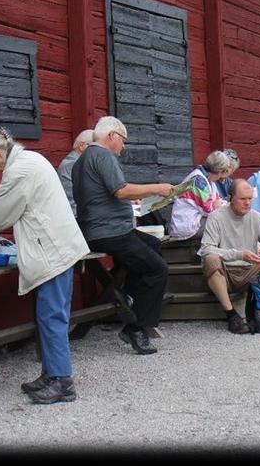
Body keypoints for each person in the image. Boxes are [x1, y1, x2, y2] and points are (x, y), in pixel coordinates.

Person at [0, 127, 90, 404]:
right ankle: (51, 374)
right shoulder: (30, 160)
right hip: (56, 247)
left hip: (52, 251)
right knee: (48, 315)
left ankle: (61, 382)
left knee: (52, 316)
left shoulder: (19, 170)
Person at [72, 116, 174, 355]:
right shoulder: (103, 155)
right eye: (123, 141)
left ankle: (129, 297)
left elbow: (106, 193)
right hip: (110, 232)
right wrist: (157, 188)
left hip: (96, 230)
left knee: (152, 245)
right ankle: (135, 328)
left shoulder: (82, 159)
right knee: (158, 268)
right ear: (112, 136)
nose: (123, 147)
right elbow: (120, 191)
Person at [197, 180, 260, 334]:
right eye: (243, 199)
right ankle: (231, 315)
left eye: (250, 199)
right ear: (231, 197)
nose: (247, 203)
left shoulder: (256, 216)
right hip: (226, 273)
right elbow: (205, 249)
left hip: (252, 271)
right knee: (211, 259)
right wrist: (240, 254)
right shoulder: (216, 217)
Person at [167, 150, 231, 241]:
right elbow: (209, 211)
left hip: (196, 220)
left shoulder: (207, 179)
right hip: (187, 225)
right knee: (226, 225)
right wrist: (219, 206)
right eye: (222, 174)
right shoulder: (199, 181)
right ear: (219, 171)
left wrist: (221, 205)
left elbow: (217, 200)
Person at [57, 129, 94, 216]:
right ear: (82, 146)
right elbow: (72, 199)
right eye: (94, 147)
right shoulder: (73, 164)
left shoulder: (78, 162)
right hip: (75, 217)